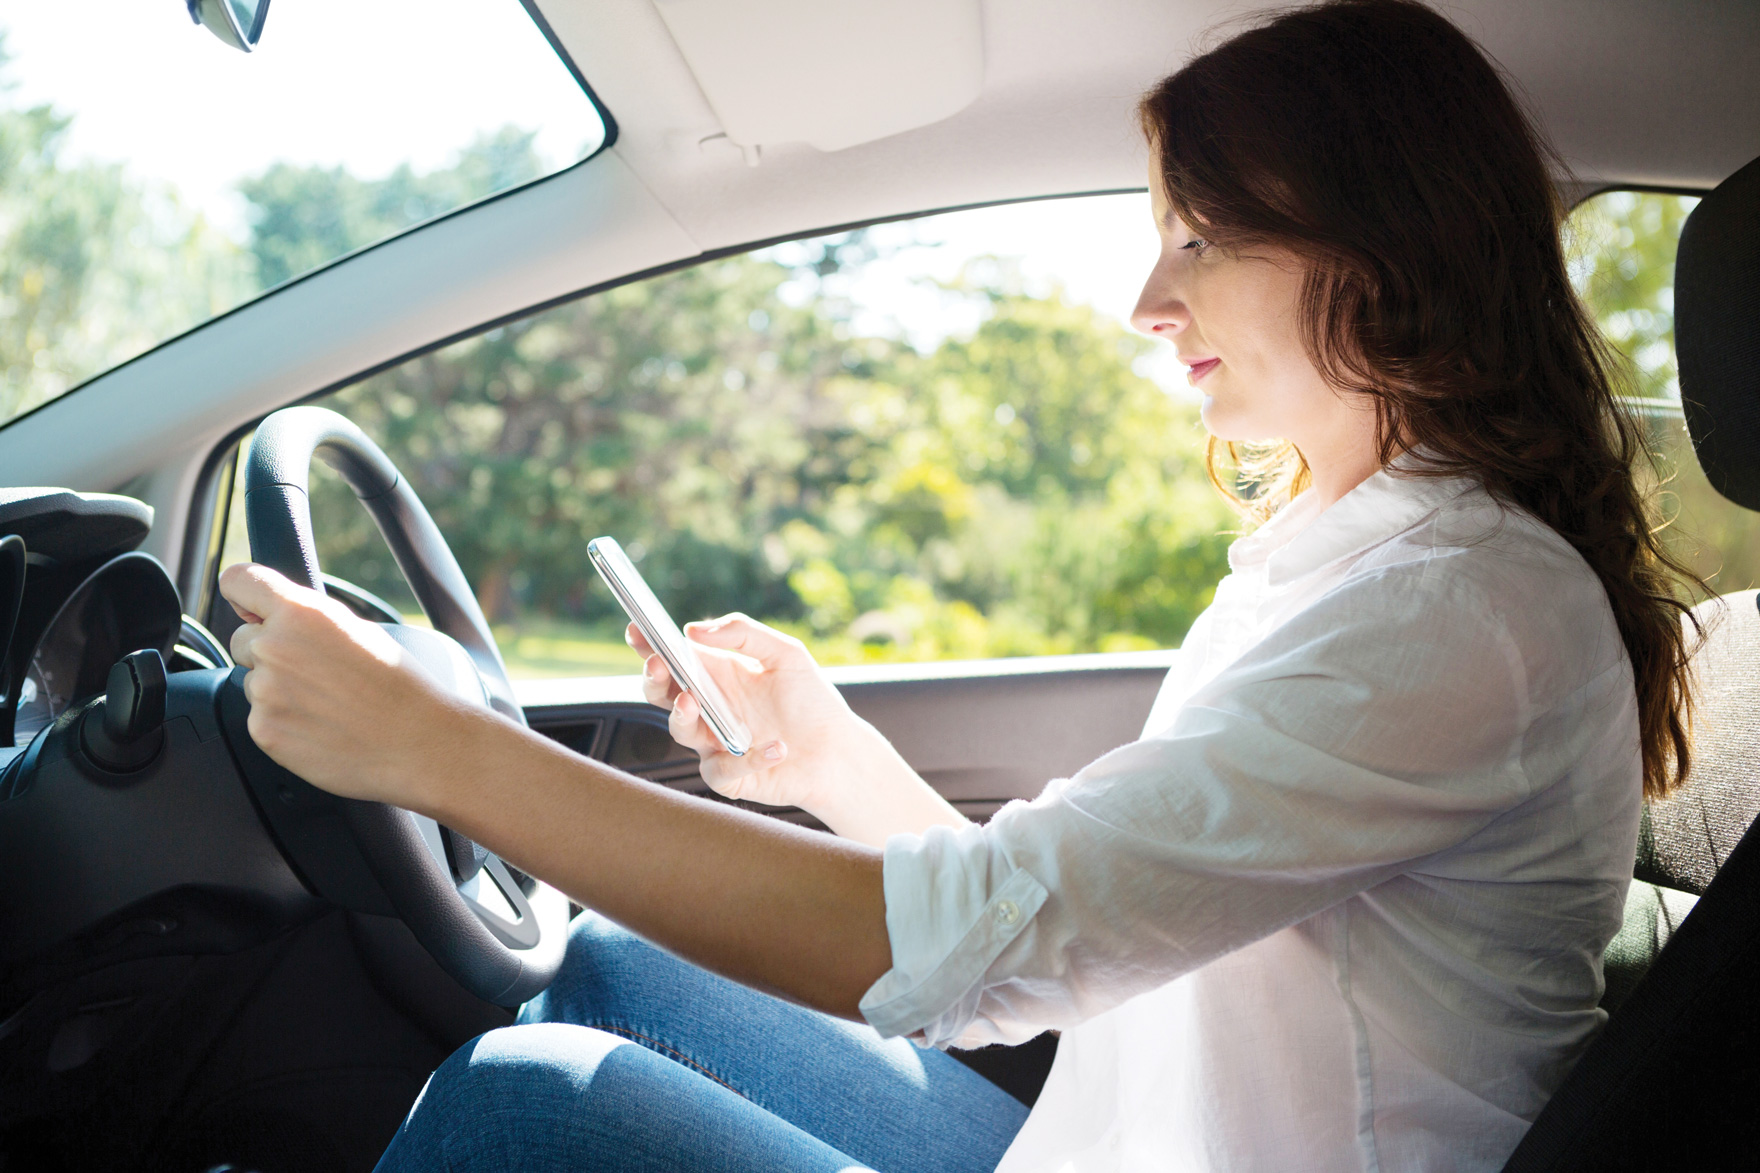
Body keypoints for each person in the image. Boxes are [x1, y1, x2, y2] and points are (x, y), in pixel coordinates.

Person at [216, 1, 1705, 1169]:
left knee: (523, 1111)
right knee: (609, 973)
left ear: (1374, 250)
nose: (1146, 300)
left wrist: (440, 751)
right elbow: (1078, 926)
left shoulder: (1458, 609)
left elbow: (988, 944)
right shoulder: (1341, 560)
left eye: (1199, 236)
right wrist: (825, 755)